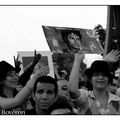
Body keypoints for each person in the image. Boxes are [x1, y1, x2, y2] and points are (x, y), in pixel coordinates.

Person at [68, 50, 120, 115]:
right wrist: (77, 60)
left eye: (104, 75)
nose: (100, 77)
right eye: (96, 75)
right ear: (90, 79)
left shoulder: (117, 101)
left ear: (108, 80)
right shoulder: (86, 98)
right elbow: (72, 90)